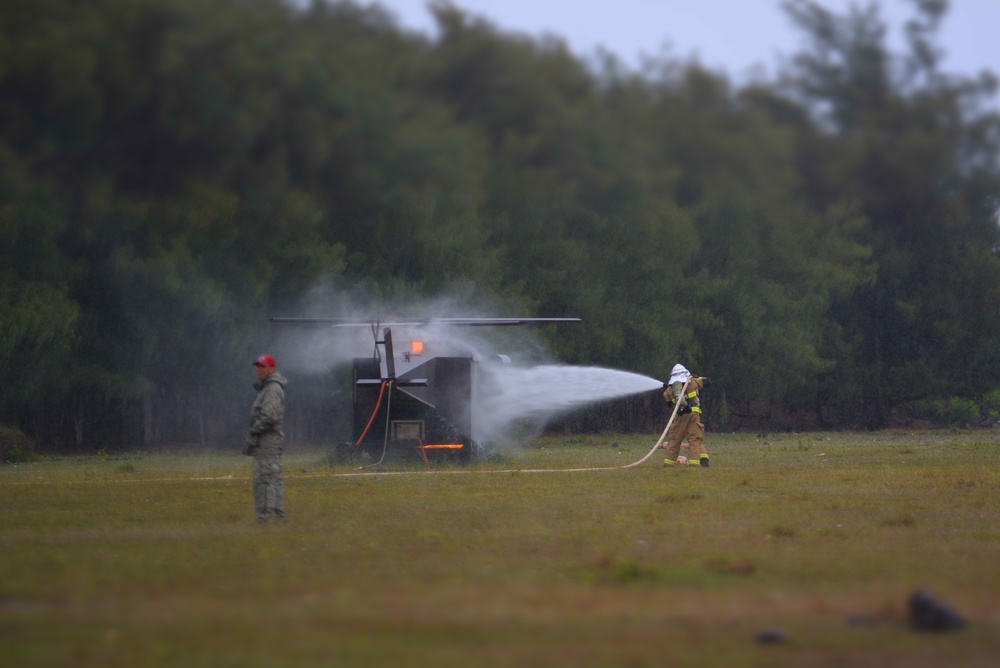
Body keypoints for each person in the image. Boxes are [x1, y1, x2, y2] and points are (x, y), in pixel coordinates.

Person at [244, 353, 288, 521]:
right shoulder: (270, 388)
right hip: (270, 442)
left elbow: (270, 417)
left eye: (262, 366)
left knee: (265, 480)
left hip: (267, 442)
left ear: (271, 368)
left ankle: (266, 517)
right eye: (258, 366)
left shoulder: (272, 389)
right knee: (273, 479)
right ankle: (276, 516)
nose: (259, 370)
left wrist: (254, 429)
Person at [663, 363, 711, 468]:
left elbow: (669, 404)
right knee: (695, 438)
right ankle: (694, 464)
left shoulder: (669, 390)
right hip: (694, 414)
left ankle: (668, 464)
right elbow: (707, 382)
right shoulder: (693, 382)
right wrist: (695, 377)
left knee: (675, 439)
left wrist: (669, 387)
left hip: (681, 416)